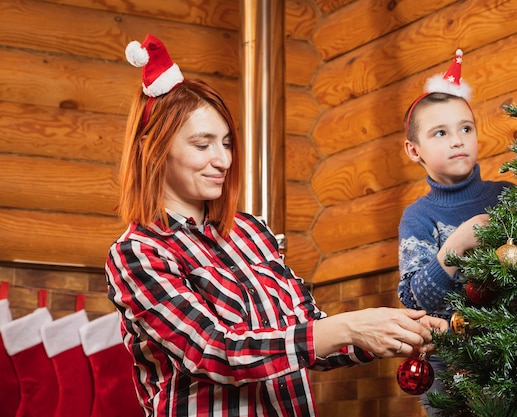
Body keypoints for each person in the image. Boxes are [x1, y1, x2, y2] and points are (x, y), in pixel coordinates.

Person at [105, 34, 448, 417]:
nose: (223, 160)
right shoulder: (138, 252)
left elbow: (307, 334)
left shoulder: (251, 232)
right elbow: (213, 352)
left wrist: (393, 330)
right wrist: (348, 328)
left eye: (227, 143)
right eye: (203, 145)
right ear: (154, 149)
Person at [397, 50, 512, 415]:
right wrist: (457, 243)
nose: (458, 140)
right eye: (441, 133)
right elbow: (415, 300)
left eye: (466, 128)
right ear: (414, 150)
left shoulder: (506, 196)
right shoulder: (419, 217)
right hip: (453, 369)